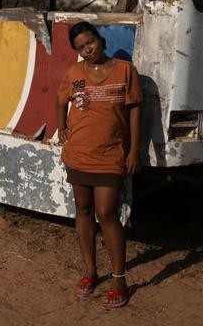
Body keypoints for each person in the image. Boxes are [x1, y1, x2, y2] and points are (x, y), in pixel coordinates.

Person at [56, 21, 142, 309]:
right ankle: (90, 272)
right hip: (79, 153)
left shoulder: (125, 71)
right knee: (82, 209)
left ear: (100, 40)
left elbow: (133, 112)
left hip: (110, 154)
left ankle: (119, 279)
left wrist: (132, 152)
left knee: (106, 213)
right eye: (80, 47)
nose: (87, 49)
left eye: (90, 42)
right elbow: (60, 100)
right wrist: (62, 129)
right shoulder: (73, 73)